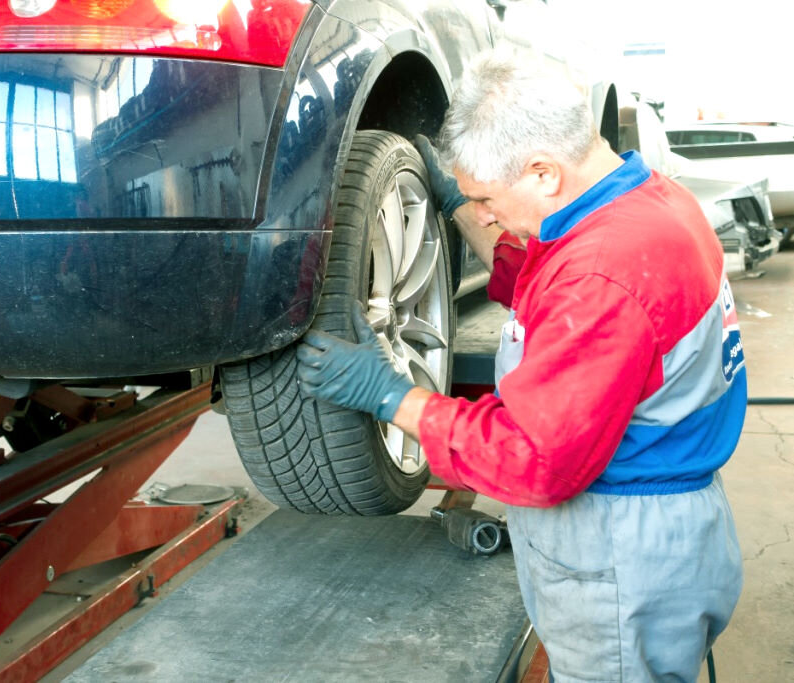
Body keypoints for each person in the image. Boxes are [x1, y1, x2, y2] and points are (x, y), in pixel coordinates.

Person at [295, 51, 744, 682]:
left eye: (485, 198)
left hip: (623, 553)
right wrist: (458, 202)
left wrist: (393, 397)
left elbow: (534, 458)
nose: (482, 214)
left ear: (542, 172)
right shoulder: (648, 201)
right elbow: (542, 280)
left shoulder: (603, 276)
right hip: (664, 528)